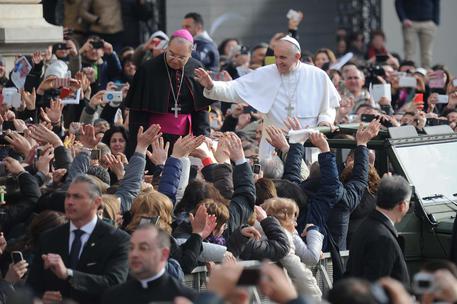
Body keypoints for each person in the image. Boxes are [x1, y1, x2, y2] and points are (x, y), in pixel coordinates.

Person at [195, 36, 340, 159]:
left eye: (282, 57)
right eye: (275, 57)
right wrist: (211, 85)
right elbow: (234, 89)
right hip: (273, 147)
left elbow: (329, 105)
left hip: (308, 145)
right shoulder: (265, 74)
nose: (277, 62)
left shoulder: (317, 76)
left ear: (297, 57)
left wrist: (325, 121)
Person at [27, 174, 131, 303]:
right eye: (68, 196)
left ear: (97, 202)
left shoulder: (118, 240)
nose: (69, 202)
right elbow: (32, 286)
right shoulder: (49, 237)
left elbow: (114, 283)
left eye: (77, 197)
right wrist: (40, 297)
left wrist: (69, 274)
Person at [124, 29, 214, 156]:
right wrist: (138, 142)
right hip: (154, 138)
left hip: (185, 137)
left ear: (190, 54)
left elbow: (201, 108)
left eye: (181, 57)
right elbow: (137, 110)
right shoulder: (148, 69)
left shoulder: (196, 69)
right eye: (171, 54)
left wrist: (203, 135)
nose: (175, 60)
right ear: (167, 47)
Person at [101, 225, 196, 303]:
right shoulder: (113, 296)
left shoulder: (185, 297)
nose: (134, 254)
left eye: (143, 248)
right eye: (131, 248)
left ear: (164, 254)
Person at [346, 174, 412, 285]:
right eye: (409, 202)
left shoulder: (366, 226)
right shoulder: (383, 238)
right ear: (402, 205)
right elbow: (376, 288)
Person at [395, 0, 440, 68]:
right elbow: (398, 3)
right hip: (410, 22)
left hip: (428, 21)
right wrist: (403, 18)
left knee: (427, 53)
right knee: (409, 52)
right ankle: (409, 73)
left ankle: (426, 73)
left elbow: (436, 3)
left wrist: (435, 21)